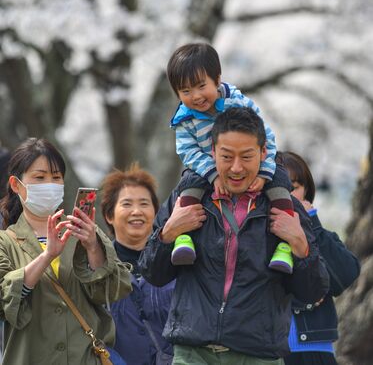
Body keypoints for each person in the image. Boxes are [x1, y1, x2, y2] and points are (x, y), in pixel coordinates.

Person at [139, 107, 330, 365]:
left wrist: (300, 245)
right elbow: (153, 273)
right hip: (192, 353)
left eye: (247, 156)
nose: (236, 167)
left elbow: (312, 291)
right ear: (212, 152)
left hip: (258, 355)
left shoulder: (284, 207)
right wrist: (168, 233)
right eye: (227, 156)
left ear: (264, 154)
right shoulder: (187, 199)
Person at [0, 137, 133, 365]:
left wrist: (93, 247)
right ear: (16, 184)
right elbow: (5, 302)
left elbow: (114, 292)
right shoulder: (5, 241)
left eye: (56, 177)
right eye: (39, 177)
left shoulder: (83, 232)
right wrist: (47, 256)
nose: (49, 184)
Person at [167, 43, 294, 273]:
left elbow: (265, 138)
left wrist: (264, 172)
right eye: (185, 91)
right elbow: (188, 152)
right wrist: (212, 173)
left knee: (281, 181)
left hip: (249, 167)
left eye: (201, 86)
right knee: (188, 185)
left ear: (217, 79)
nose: (195, 96)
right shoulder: (184, 120)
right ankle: (184, 238)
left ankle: (285, 246)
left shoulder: (239, 103)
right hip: (205, 167)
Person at [277, 151, 360, 365]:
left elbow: (344, 276)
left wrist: (311, 224)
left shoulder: (321, 234)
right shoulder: (255, 237)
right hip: (268, 350)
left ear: (306, 191)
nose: (288, 196)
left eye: (294, 188)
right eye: (280, 189)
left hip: (315, 350)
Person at [102, 163, 174, 365]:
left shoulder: (176, 261)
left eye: (144, 204)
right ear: (109, 215)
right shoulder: (96, 268)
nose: (137, 211)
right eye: (126, 204)